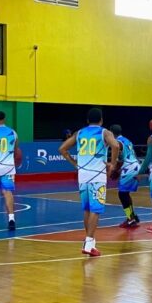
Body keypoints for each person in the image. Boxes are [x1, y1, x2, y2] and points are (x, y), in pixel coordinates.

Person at [59, 108, 120, 257]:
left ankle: (89, 243)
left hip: (83, 175)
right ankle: (89, 242)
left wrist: (75, 163)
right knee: (96, 210)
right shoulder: (105, 132)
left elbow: (62, 149)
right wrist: (112, 164)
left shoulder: (79, 133)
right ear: (101, 120)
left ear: (87, 120)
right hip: (97, 175)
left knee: (87, 209)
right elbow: (116, 145)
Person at [111, 124, 141, 228]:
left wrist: (115, 170)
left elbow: (120, 160)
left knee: (122, 194)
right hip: (135, 166)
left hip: (129, 167)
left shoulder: (117, 142)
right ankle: (133, 216)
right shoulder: (127, 140)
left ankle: (130, 219)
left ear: (111, 133)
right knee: (126, 194)